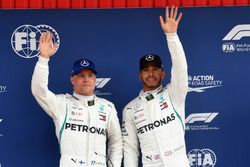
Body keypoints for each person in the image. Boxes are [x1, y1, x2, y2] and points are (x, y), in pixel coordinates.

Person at [31, 32, 123, 167]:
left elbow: (116, 141)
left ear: (95, 80)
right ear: (72, 79)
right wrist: (43, 59)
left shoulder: (108, 107)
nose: (86, 79)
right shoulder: (61, 104)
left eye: (90, 75)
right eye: (81, 75)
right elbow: (39, 91)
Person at [122, 6, 190, 167]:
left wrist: (172, 36)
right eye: (146, 70)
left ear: (163, 74)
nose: (150, 74)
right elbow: (130, 149)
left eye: (155, 69)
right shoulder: (130, 109)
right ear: (140, 76)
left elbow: (180, 68)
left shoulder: (175, 94)